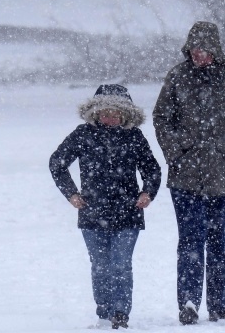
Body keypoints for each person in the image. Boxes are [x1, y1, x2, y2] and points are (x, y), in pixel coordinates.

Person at [154, 22, 225, 325]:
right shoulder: (177, 76)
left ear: (214, 48)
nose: (198, 54)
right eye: (194, 49)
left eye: (203, 49)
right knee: (189, 242)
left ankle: (218, 305)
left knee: (218, 244)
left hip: (224, 179)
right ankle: (188, 304)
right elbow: (162, 118)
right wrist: (176, 153)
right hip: (185, 178)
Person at [50, 84, 162, 330]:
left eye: (115, 113)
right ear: (95, 112)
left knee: (121, 264)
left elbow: (152, 169)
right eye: (105, 112)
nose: (109, 117)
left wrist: (147, 193)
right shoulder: (82, 135)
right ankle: (104, 312)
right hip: (92, 212)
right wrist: (71, 194)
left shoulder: (134, 137)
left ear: (126, 115)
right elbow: (57, 163)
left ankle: (121, 313)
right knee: (100, 266)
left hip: (128, 212)